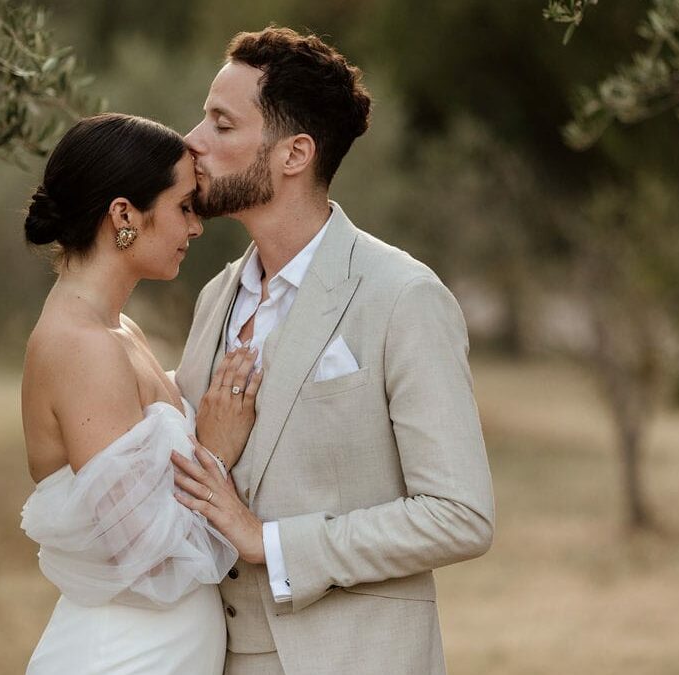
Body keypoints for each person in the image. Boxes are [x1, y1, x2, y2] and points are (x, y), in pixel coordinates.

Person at [169, 27, 496, 674]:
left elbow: (461, 515)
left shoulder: (403, 296)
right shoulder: (215, 297)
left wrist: (270, 541)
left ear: (294, 154)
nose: (193, 141)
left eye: (221, 124)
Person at [18, 112, 263, 675]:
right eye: (183, 207)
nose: (195, 228)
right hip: (122, 656)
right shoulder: (82, 346)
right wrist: (217, 453)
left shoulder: (118, 331)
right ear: (124, 214)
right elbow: (144, 560)